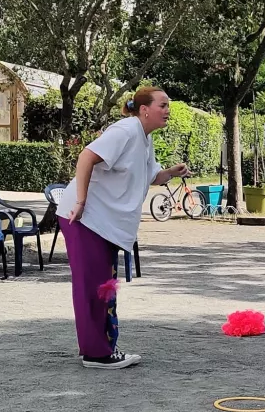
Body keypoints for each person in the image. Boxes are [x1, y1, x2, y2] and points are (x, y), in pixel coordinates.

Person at [55, 87, 189, 369]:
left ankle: (99, 348)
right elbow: (86, 157)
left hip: (102, 222)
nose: (168, 111)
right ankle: (96, 353)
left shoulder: (144, 139)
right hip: (86, 217)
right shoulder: (126, 130)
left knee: (102, 285)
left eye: (168, 106)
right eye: (162, 105)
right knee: (92, 285)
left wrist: (171, 173)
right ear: (144, 110)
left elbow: (152, 176)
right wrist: (80, 201)